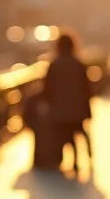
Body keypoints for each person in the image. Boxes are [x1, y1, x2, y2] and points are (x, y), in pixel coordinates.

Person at [40, 33, 94, 175]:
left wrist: (47, 103)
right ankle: (81, 158)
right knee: (78, 132)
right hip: (77, 108)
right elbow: (87, 88)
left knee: (64, 135)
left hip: (59, 109)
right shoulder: (79, 64)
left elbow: (47, 88)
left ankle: (66, 160)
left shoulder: (54, 65)